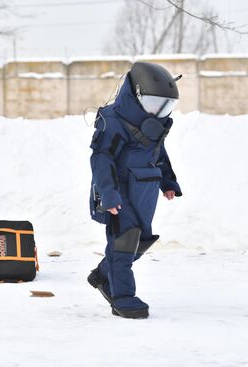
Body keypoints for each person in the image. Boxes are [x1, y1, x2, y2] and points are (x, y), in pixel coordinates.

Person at [87, 62, 182, 319]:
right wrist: (108, 194)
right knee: (124, 241)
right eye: (154, 103)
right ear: (136, 96)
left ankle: (103, 275)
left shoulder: (154, 126)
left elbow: (157, 154)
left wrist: (168, 182)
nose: (159, 111)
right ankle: (122, 296)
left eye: (166, 105)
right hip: (119, 192)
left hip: (145, 190)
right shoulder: (114, 120)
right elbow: (101, 159)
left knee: (141, 241)